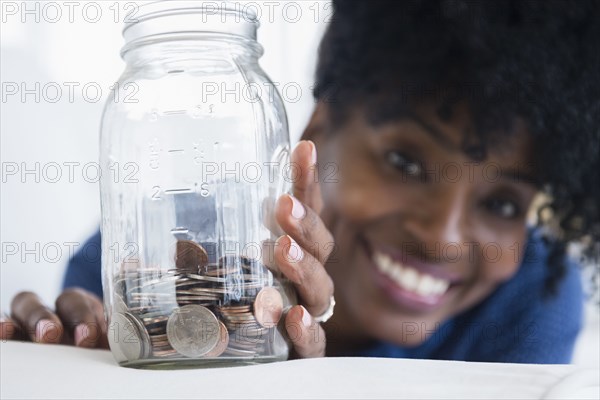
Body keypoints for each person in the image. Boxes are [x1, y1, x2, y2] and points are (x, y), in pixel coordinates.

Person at [2, 0, 599, 363]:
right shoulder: (148, 261)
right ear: (316, 134)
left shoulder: (532, 305)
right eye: (405, 163)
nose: (443, 239)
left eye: (500, 200)